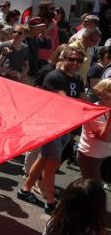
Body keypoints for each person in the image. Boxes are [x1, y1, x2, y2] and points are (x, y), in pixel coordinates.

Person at [19, 44, 86, 213]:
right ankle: (50, 201)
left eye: (78, 60)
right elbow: (68, 102)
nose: (75, 63)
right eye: (71, 59)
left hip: (66, 126)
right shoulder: (54, 76)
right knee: (52, 163)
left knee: (44, 158)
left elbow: (83, 99)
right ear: (63, 58)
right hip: (52, 126)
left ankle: (25, 189)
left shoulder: (77, 78)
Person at [77, 79, 111, 182]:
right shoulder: (93, 111)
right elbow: (106, 137)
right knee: (94, 189)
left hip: (107, 155)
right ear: (105, 94)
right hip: (91, 156)